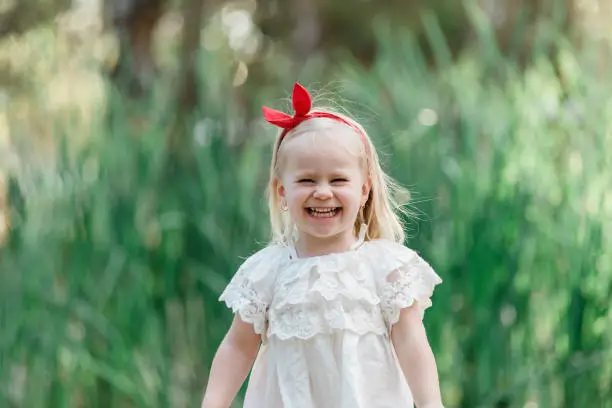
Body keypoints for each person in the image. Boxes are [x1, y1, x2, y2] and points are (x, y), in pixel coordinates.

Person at [201, 83, 444, 408]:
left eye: (338, 180)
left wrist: (430, 404)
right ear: (282, 192)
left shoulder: (385, 267)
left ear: (364, 190)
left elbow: (412, 341)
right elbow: (238, 346)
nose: (323, 192)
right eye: (306, 180)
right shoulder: (267, 272)